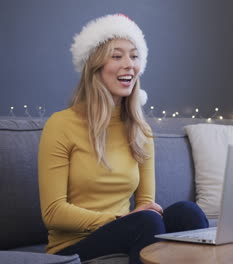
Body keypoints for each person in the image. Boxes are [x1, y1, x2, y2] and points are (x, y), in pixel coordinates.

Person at [38, 14, 208, 263]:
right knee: (146, 222)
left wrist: (132, 219)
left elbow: (146, 203)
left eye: (134, 56)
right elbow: (53, 212)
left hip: (129, 227)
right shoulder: (61, 124)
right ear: (95, 66)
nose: (129, 64)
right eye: (117, 56)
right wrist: (116, 220)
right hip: (74, 244)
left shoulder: (141, 130)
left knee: (187, 212)